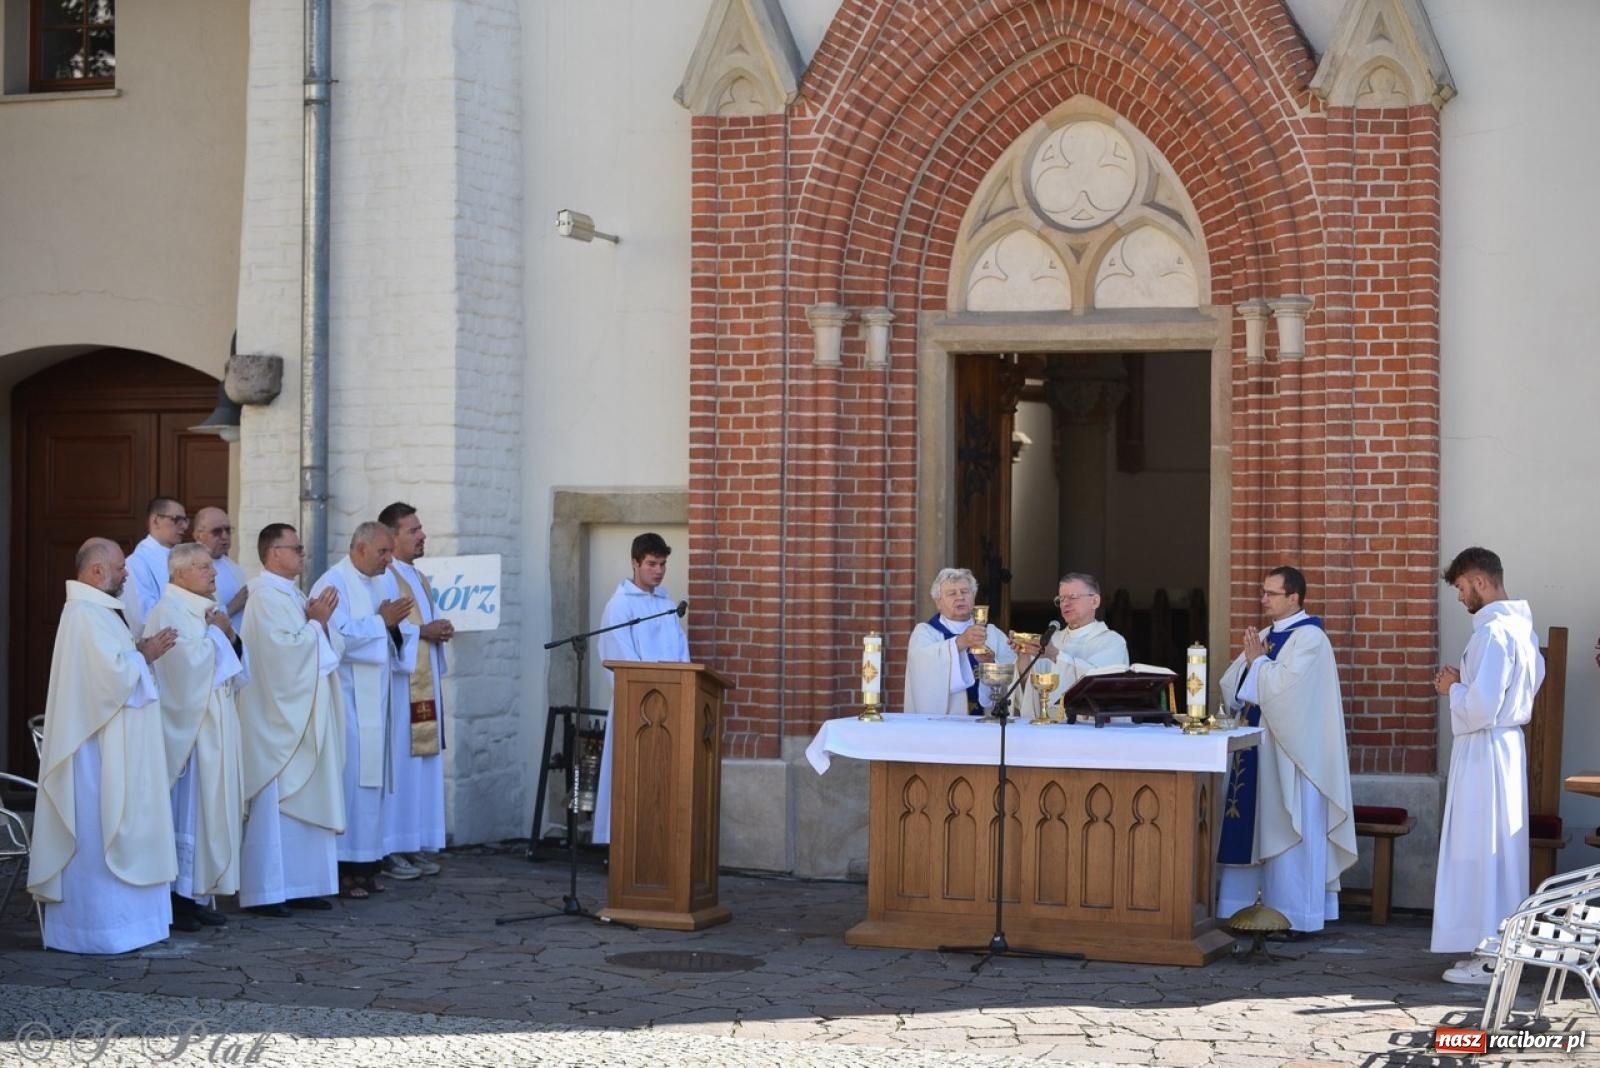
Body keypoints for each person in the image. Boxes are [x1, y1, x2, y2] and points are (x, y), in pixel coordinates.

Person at [28, 538, 179, 953]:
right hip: (96, 756)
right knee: (98, 833)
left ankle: (132, 926)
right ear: (96, 572)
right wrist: (143, 654)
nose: (126, 572)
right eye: (119, 567)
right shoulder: (83, 614)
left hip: (119, 747)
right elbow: (107, 679)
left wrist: (139, 655)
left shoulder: (100, 612)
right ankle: (96, 931)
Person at [1215, 566, 1357, 933]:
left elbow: (1289, 693)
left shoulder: (1311, 639)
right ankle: (1242, 911)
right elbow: (1232, 684)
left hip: (1295, 759)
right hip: (1259, 751)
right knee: (1257, 829)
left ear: (1293, 597)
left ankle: (1295, 916)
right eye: (1263, 592)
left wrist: (1258, 663)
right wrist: (1254, 664)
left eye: (1271, 593)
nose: (1263, 599)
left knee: (1291, 834)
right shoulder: (1264, 635)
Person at [1432, 547, 1543, 984]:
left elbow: (1482, 707)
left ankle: (1495, 954)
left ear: (1479, 581)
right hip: (1499, 749)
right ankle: (1490, 945)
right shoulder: (1520, 630)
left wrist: (1452, 688)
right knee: (1490, 850)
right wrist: (1465, 687)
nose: (1460, 597)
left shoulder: (1495, 633)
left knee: (1484, 850)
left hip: (1486, 750)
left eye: (1461, 588)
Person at [237, 523, 345, 917]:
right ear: (272, 553)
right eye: (295, 547)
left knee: (304, 799)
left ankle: (303, 885)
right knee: (276, 805)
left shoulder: (293, 593)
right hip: (277, 723)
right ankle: (268, 892)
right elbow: (280, 655)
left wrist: (322, 622)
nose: (302, 552)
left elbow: (329, 643)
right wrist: (316, 623)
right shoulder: (264, 597)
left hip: (303, 714)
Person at [145, 543, 245, 932]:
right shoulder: (167, 611)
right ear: (180, 573)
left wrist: (226, 636)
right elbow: (183, 670)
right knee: (187, 812)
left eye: (211, 567)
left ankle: (198, 893)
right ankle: (178, 898)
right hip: (190, 732)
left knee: (207, 812)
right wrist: (219, 635)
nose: (214, 573)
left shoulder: (204, 610)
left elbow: (231, 662)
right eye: (204, 567)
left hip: (214, 723)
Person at [311, 522, 414, 895]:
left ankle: (366, 866)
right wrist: (380, 622)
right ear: (359, 549)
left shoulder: (382, 582)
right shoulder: (331, 584)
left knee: (371, 786)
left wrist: (392, 627)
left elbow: (388, 635)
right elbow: (332, 640)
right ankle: (341, 870)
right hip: (348, 701)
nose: (389, 560)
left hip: (377, 700)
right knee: (350, 783)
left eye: (390, 552)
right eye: (383, 552)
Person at [593, 532, 690, 845]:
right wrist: (652, 693)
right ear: (635, 563)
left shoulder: (666, 603)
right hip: (638, 708)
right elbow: (620, 658)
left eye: (662, 564)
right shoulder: (619, 607)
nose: (659, 571)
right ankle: (622, 844)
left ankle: (658, 843)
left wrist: (683, 686)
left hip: (671, 705)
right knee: (633, 778)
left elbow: (680, 649)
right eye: (651, 564)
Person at [378, 501, 454, 876]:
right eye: (414, 530)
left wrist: (438, 628)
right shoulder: (386, 575)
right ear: (392, 536)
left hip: (422, 686)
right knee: (401, 767)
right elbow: (381, 625)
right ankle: (393, 846)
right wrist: (423, 631)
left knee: (422, 769)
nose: (423, 535)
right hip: (400, 687)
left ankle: (415, 840)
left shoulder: (415, 576)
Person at [1011, 572, 1129, 719]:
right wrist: (1024, 655)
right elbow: (1033, 687)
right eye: (1061, 599)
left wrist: (1056, 655)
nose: (1065, 604)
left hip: (1095, 730)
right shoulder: (1053, 640)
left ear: (1095, 601)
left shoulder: (1112, 642)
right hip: (1053, 729)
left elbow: (1099, 681)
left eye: (1073, 597)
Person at [903, 567, 1016, 716]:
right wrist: (959, 643)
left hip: (988, 725)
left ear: (973, 597)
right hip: (944, 726)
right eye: (952, 593)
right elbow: (921, 673)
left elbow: (1013, 678)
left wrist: (990, 664)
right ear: (938, 602)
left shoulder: (992, 634)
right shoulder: (925, 633)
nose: (960, 597)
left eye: (965, 592)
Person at [124, 496, 189, 634]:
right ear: (155, 521)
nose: (184, 526)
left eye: (185, 520)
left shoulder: (185, 557)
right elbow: (142, 617)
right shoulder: (136, 563)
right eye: (177, 519)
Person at [193, 507, 248, 632]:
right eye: (217, 531)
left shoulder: (233, 567)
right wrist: (232, 607)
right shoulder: (188, 570)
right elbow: (192, 619)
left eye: (228, 530)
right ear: (199, 535)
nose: (224, 536)